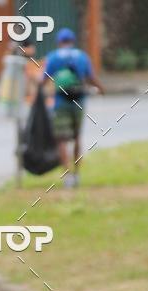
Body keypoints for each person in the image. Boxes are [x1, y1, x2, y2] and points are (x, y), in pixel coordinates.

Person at [42, 27, 104, 188]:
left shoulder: (54, 57)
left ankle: (67, 175)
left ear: (59, 42)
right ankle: (77, 174)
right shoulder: (82, 56)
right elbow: (90, 78)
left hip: (60, 101)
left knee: (61, 139)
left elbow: (44, 79)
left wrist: (37, 94)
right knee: (77, 137)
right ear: (73, 41)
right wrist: (102, 89)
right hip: (79, 100)